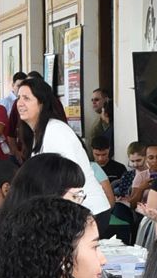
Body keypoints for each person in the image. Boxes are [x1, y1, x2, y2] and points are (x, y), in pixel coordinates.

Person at [14, 75, 109, 216]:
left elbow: (71, 175)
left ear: (42, 103)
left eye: (26, 98)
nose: (20, 103)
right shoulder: (39, 133)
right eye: (18, 98)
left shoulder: (56, 130)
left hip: (88, 210)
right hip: (69, 211)